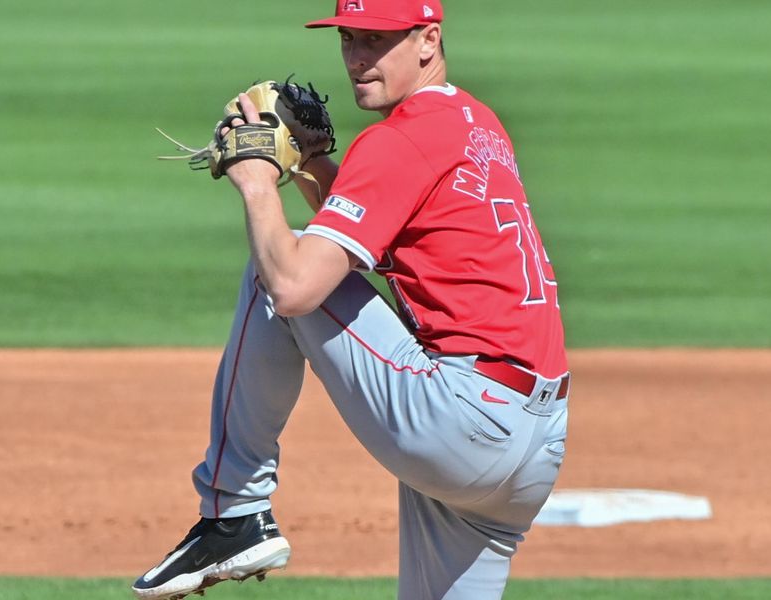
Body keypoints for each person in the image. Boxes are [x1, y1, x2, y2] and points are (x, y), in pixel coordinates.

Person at [132, 1, 569, 599]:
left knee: (275, 273)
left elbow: (294, 288)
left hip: (462, 421)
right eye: (349, 39)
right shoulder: (476, 123)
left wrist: (259, 180)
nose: (358, 58)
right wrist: (311, 161)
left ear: (428, 39)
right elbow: (391, 232)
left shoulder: (399, 139)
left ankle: (232, 512)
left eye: (378, 40)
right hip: (535, 447)